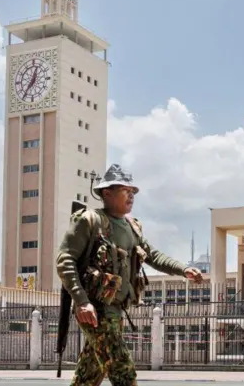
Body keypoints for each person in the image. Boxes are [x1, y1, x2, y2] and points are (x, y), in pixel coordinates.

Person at [56, 163, 204, 386]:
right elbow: (65, 260)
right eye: (126, 190)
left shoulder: (132, 227)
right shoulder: (88, 220)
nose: (132, 195)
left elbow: (152, 255)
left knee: (88, 376)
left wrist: (183, 269)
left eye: (133, 191)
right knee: (122, 370)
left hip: (116, 309)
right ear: (107, 193)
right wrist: (81, 301)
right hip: (95, 310)